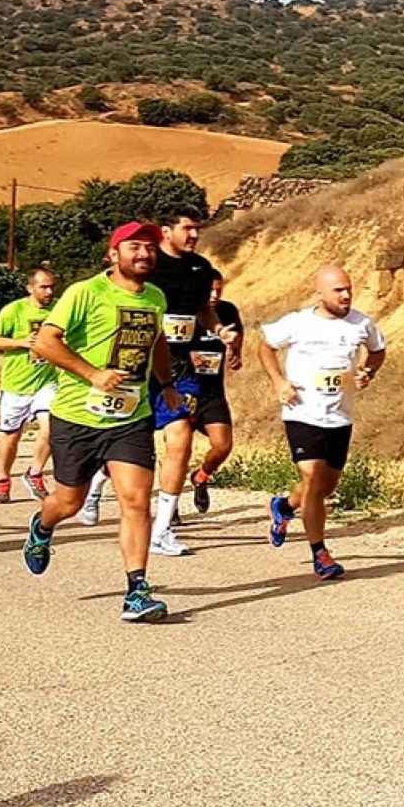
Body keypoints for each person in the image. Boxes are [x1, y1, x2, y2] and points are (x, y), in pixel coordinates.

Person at [21, 222, 182, 622]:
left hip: (131, 416)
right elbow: (45, 341)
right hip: (78, 416)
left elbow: (157, 341)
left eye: (149, 248)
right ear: (114, 254)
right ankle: (42, 525)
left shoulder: (156, 297)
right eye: (134, 247)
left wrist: (166, 384)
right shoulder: (84, 293)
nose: (144, 254)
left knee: (135, 499)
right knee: (69, 501)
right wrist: (93, 373)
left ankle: (137, 590)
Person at [258, 264, 386, 580]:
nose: (346, 295)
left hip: (339, 415)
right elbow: (266, 346)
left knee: (325, 486)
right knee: (313, 477)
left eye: (348, 289)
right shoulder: (299, 323)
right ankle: (320, 553)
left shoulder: (361, 323)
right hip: (302, 410)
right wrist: (278, 381)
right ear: (320, 293)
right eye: (338, 290)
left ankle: (285, 507)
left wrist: (367, 372)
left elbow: (378, 351)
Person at [143, 206, 236, 556]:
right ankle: (96, 484)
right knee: (131, 440)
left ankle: (162, 528)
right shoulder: (149, 265)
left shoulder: (200, 269)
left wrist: (218, 330)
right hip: (140, 365)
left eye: (198, 229)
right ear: (166, 232)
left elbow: (203, 311)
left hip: (179, 368)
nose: (194, 235)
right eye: (187, 229)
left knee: (180, 435)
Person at [0, 267, 58, 503]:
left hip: (47, 381)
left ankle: (35, 472)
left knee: (51, 427)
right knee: (11, 436)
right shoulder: (14, 310)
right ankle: (3, 479)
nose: (49, 292)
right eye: (43, 287)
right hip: (16, 384)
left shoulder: (59, 309)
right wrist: (21, 342)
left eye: (51, 287)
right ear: (30, 288)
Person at [180, 269, 244, 512]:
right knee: (180, 449)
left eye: (220, 289)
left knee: (223, 445)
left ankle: (200, 477)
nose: (215, 295)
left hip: (212, 392)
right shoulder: (183, 312)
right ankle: (171, 506)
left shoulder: (227, 311)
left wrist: (235, 353)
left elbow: (237, 333)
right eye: (210, 290)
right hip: (184, 389)